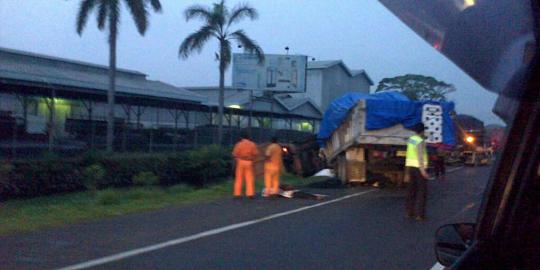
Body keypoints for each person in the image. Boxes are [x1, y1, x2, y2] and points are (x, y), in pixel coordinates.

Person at [405, 123, 431, 221]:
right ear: (422, 131)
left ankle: (409, 212)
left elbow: (409, 155)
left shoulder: (411, 139)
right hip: (419, 169)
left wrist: (407, 172)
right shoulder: (420, 141)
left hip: (411, 167)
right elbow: (420, 156)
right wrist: (423, 171)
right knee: (422, 192)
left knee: (411, 191)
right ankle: (420, 214)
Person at [232, 131, 259, 199]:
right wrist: (253, 160)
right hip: (249, 162)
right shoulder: (252, 144)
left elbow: (234, 154)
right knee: (249, 178)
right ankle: (250, 194)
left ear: (241, 137)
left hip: (240, 161)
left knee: (239, 178)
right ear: (248, 137)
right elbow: (256, 154)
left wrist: (237, 160)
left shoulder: (239, 144)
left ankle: (237, 194)